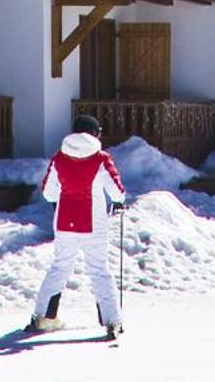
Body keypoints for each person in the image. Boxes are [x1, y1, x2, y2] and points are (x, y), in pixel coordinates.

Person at [29, 113, 126, 338]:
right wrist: (119, 202)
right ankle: (112, 321)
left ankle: (44, 317)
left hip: (64, 222)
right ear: (94, 133)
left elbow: (48, 192)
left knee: (60, 267)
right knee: (99, 270)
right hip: (94, 223)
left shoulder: (59, 157)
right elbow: (117, 191)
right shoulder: (101, 158)